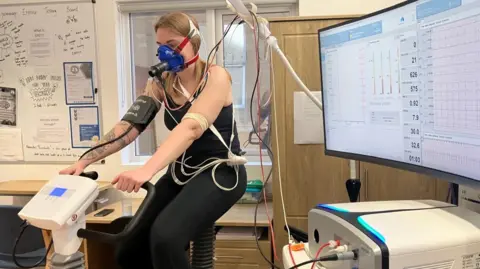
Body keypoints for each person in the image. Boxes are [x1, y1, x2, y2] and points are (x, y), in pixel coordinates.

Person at [60, 12, 247, 269]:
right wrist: (84, 160)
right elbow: (130, 126)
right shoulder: (162, 82)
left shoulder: (216, 77)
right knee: (130, 247)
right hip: (182, 173)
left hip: (222, 175)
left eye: (171, 45)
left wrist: (146, 171)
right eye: (160, 47)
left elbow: (190, 128)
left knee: (165, 238)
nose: (164, 53)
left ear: (194, 42)